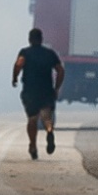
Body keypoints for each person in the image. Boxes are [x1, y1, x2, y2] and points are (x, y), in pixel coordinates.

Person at [12, 27, 65, 160]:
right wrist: (57, 87)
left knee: (32, 119)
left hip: (30, 91)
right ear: (41, 39)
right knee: (46, 115)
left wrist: (15, 77)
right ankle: (49, 130)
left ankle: (33, 146)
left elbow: (19, 64)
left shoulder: (25, 52)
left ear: (30, 39)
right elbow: (60, 70)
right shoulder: (50, 53)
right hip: (46, 90)